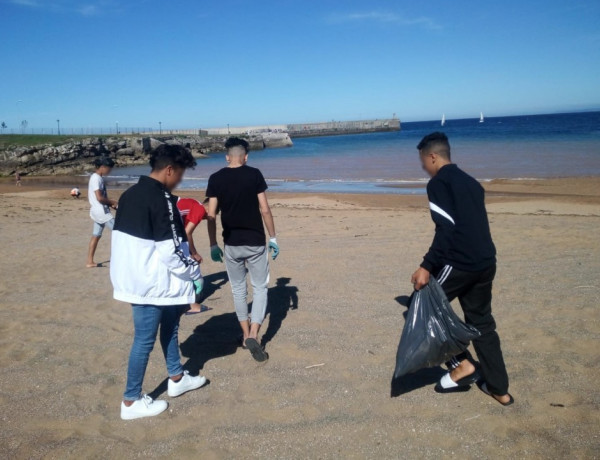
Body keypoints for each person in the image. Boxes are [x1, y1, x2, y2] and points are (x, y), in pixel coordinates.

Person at [410, 132, 513, 406]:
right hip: (485, 262)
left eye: (423, 163)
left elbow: (446, 230)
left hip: (461, 264)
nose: (423, 168)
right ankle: (499, 389)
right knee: (482, 323)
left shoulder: (439, 184)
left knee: (419, 306)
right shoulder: (471, 182)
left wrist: (426, 266)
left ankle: (462, 364)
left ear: (433, 157)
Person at [110, 144, 207, 420]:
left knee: (171, 326)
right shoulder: (162, 199)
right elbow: (171, 250)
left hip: (138, 276)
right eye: (180, 174)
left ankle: (176, 378)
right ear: (169, 170)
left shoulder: (129, 195)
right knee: (144, 340)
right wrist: (194, 272)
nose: (180, 180)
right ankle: (130, 401)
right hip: (152, 282)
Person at [206, 137, 279, 362]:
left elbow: (211, 214)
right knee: (260, 288)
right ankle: (255, 334)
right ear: (245, 156)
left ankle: (245, 333)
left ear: (227, 156)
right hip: (255, 241)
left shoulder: (215, 178)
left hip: (231, 244)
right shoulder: (254, 174)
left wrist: (212, 244)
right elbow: (264, 209)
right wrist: (273, 238)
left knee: (239, 290)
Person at [177, 197, 209, 315]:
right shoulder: (200, 208)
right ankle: (191, 304)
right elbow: (187, 233)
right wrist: (194, 253)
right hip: (169, 234)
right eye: (215, 211)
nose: (210, 218)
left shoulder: (193, 204)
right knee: (192, 268)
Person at [86, 157, 117, 268]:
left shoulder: (97, 178)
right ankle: (121, 258)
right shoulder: (96, 178)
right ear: (103, 167)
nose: (110, 171)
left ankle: (90, 261)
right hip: (101, 212)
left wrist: (110, 204)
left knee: (96, 235)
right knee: (119, 231)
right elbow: (99, 198)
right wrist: (112, 201)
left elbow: (101, 198)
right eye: (109, 168)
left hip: (98, 211)